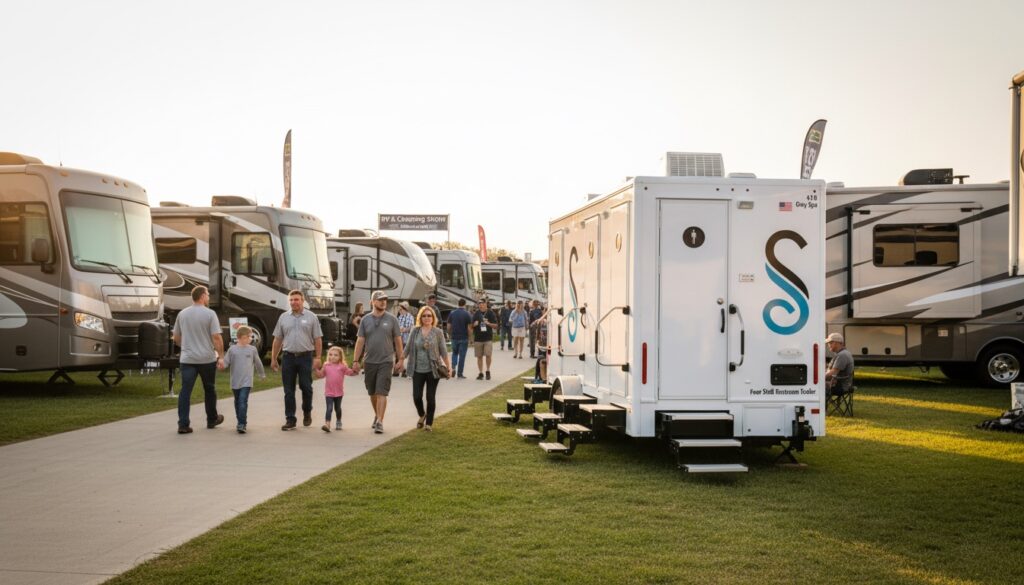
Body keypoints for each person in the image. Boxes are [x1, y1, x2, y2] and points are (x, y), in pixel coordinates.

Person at [174, 286, 226, 434]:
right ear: (202, 296)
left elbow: (176, 337)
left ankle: (183, 424)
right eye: (208, 295)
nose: (209, 297)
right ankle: (211, 419)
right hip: (206, 359)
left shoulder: (182, 314)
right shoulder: (210, 314)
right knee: (209, 389)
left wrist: (185, 346)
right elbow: (216, 337)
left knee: (185, 391)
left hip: (187, 358)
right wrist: (221, 356)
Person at [270, 290, 324, 431]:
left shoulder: (311, 317)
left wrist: (318, 357)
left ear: (302, 301)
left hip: (305, 357)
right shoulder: (283, 317)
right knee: (289, 390)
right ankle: (290, 419)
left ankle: (307, 411)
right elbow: (277, 339)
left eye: (296, 299)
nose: (294, 302)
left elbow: (318, 339)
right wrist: (274, 358)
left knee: (306, 387)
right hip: (288, 357)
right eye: (291, 300)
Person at [353, 290, 404, 433]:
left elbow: (398, 341)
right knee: (372, 392)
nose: (383, 302)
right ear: (373, 302)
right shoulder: (365, 320)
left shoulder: (392, 319)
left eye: (385, 300)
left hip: (386, 361)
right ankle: (377, 414)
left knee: (382, 391)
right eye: (380, 300)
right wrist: (356, 361)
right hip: (369, 361)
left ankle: (380, 421)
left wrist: (400, 359)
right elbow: (360, 341)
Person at [404, 306, 452, 431]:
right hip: (417, 369)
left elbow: (444, 352)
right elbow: (408, 348)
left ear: (433, 318)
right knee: (416, 397)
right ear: (420, 317)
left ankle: (429, 424)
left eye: (429, 315)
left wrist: (449, 367)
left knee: (430, 398)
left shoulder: (438, 332)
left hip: (433, 370)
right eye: (424, 315)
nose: (426, 318)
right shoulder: (415, 331)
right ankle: (422, 414)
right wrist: (399, 361)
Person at [223, 325, 266, 433]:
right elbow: (226, 363)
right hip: (235, 381)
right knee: (238, 401)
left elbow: (258, 363)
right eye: (250, 336)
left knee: (242, 401)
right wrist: (221, 365)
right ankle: (240, 421)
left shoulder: (252, 350)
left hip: (247, 382)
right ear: (242, 337)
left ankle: (242, 424)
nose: (252, 339)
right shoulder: (232, 350)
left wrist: (262, 374)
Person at [314, 346, 359, 432]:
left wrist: (355, 370)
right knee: (329, 408)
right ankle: (327, 424)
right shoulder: (326, 365)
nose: (332, 357)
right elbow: (321, 375)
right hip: (329, 393)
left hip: (339, 393)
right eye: (330, 355)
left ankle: (338, 421)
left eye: (335, 355)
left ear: (340, 357)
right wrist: (315, 369)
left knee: (337, 409)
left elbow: (350, 373)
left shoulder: (342, 366)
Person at [471, 299, 498, 380]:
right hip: (478, 338)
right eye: (479, 303)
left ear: (486, 304)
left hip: (487, 338)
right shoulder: (476, 313)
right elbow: (471, 326)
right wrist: (474, 325)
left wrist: (488, 323)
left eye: (482, 303)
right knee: (479, 356)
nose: (481, 305)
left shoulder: (490, 313)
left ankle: (488, 370)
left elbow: (496, 326)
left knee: (488, 355)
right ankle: (480, 372)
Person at [446, 298, 472, 379]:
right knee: (462, 356)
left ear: (458, 304)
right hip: (463, 337)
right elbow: (469, 328)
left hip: (454, 337)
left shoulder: (452, 313)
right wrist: (470, 338)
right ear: (465, 304)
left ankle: (453, 368)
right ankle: (460, 373)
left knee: (454, 353)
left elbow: (448, 326)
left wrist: (450, 334)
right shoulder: (467, 314)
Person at [396, 302, 415, 377]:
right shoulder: (399, 317)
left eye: (400, 309)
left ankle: (407, 371)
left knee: (407, 355)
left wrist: (405, 329)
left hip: (407, 339)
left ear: (405, 309)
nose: (399, 311)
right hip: (399, 338)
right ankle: (397, 370)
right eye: (399, 309)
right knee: (399, 354)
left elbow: (412, 327)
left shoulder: (410, 317)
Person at [532, 309, 550, 382]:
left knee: (544, 360)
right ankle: (540, 377)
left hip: (549, 345)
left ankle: (543, 377)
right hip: (542, 345)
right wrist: (537, 340)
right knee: (541, 359)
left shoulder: (551, 322)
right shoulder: (541, 321)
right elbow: (533, 326)